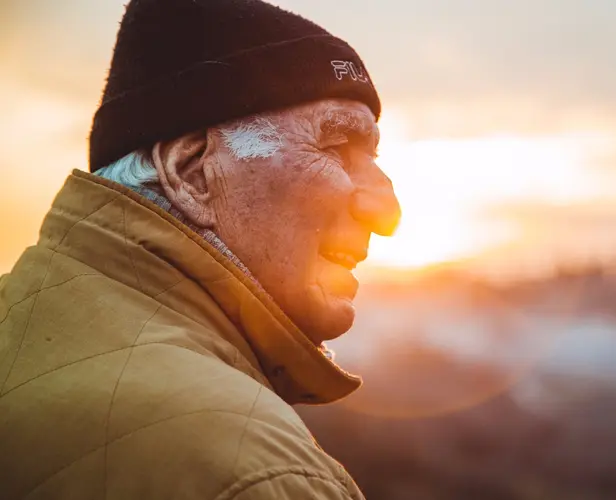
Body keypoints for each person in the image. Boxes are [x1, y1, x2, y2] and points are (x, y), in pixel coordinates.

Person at [0, 1, 400, 498]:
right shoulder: (258, 473)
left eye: (373, 159)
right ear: (191, 174)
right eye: (335, 147)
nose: (387, 211)